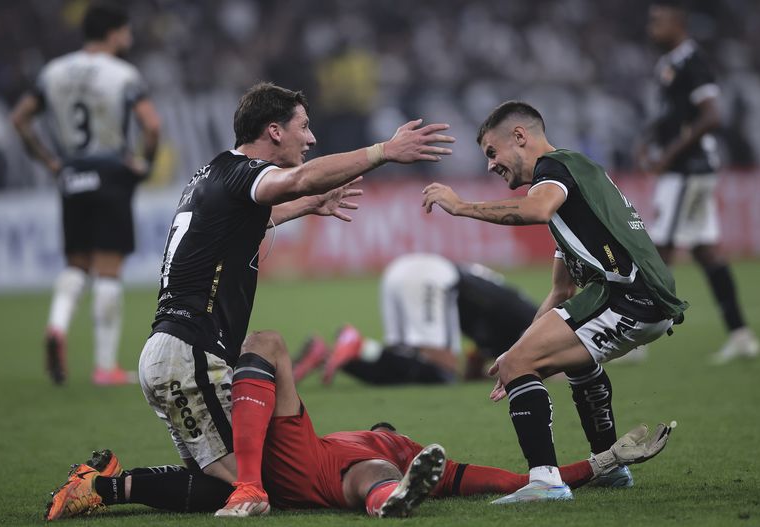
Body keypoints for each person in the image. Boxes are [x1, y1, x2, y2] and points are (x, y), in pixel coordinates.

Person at [130, 81, 453, 517]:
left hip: (167, 353)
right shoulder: (242, 173)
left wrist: (307, 206)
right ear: (275, 131)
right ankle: (103, 485)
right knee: (265, 484)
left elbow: (243, 222)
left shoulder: (214, 173)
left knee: (216, 485)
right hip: (191, 354)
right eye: (304, 126)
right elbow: (299, 179)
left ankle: (104, 485)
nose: (312, 138)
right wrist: (384, 151)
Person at [44, 328, 675, 520]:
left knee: (264, 351)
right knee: (371, 469)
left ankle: (107, 485)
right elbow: (499, 478)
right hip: (315, 464)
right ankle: (106, 483)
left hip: (306, 464)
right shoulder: (386, 442)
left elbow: (505, 480)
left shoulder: (385, 444)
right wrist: (597, 465)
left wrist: (597, 465)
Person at [421, 101, 688, 503]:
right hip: (645, 297)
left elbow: (536, 208)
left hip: (627, 295)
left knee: (519, 364)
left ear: (520, 137)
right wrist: (518, 352)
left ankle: (545, 481)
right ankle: (611, 467)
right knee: (564, 362)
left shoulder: (554, 169)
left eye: (492, 153)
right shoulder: (577, 190)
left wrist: (460, 207)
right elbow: (561, 293)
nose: (491, 165)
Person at [10, 3, 161, 385]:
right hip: (110, 172)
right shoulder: (123, 74)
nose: (128, 39)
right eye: (125, 32)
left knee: (76, 264)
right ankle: (105, 366)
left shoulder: (53, 71)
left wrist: (48, 160)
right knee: (108, 271)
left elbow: (20, 118)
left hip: (72, 173)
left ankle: (57, 325)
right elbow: (152, 125)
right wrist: (144, 162)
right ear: (113, 33)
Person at [638, 0, 759, 364]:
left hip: (689, 169)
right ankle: (741, 335)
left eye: (659, 21)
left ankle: (637, 337)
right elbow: (673, 115)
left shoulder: (694, 62)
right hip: (687, 169)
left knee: (659, 250)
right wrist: (647, 139)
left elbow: (711, 116)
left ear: (679, 22)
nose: (652, 28)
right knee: (706, 252)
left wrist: (669, 154)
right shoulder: (669, 64)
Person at [293, 253, 538, 385]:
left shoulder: (515, 316)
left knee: (405, 366)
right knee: (442, 373)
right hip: (432, 276)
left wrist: (475, 376)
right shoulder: (533, 324)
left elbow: (479, 357)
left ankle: (332, 353)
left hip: (408, 270)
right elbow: (542, 365)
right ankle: (360, 346)